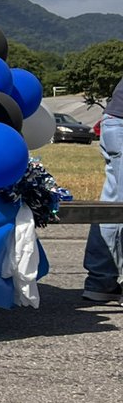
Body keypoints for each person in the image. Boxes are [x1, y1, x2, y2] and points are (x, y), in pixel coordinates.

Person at [83, 75, 123, 303]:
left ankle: (101, 282)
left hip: (115, 120)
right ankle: (100, 280)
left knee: (112, 205)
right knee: (117, 208)